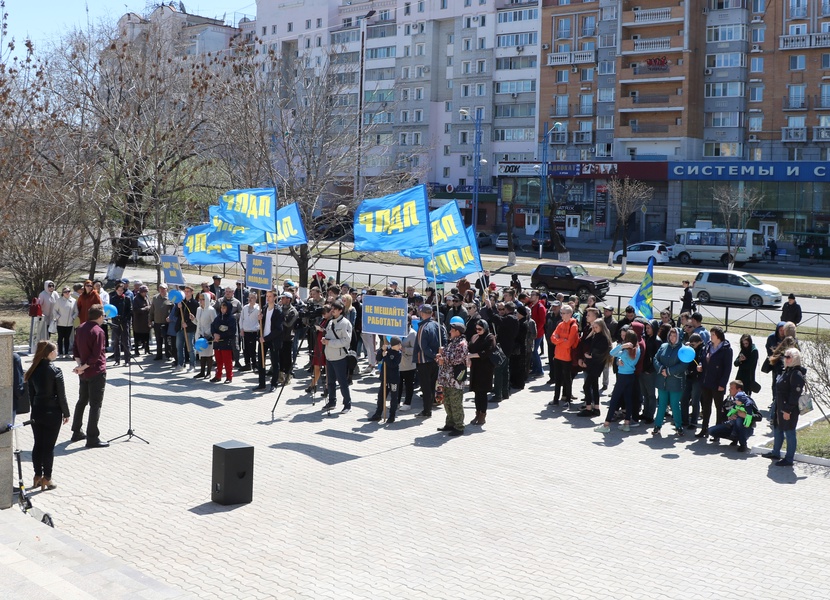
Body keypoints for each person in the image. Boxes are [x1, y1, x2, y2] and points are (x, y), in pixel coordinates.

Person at [24, 341, 70, 490]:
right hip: (53, 412)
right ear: (49, 353)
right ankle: (47, 478)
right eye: (55, 351)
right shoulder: (55, 370)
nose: (57, 353)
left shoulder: (33, 369)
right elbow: (61, 395)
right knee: (49, 447)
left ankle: (37, 475)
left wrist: (35, 409)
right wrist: (66, 413)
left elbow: (31, 395)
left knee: (38, 444)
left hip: (37, 411)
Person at [71, 304, 109, 448]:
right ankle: (92, 438)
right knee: (95, 405)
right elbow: (95, 356)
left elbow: (75, 349)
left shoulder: (80, 328)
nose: (104, 318)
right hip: (96, 372)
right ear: (99, 317)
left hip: (83, 372)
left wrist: (80, 366)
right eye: (103, 315)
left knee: (82, 401)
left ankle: (76, 431)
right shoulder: (98, 331)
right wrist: (83, 367)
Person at [762, 348, 807, 466]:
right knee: (777, 428)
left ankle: (789, 458)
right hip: (779, 405)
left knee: (790, 431)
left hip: (789, 408)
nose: (785, 359)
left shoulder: (796, 373)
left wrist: (788, 410)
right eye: (785, 356)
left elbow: (795, 394)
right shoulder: (787, 370)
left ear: (795, 359)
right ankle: (776, 452)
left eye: (788, 357)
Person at [595, 330, 641, 433]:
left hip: (622, 377)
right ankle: (626, 423)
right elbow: (621, 358)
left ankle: (606, 424)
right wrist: (619, 359)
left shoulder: (625, 350)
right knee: (628, 399)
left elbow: (612, 353)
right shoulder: (637, 349)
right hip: (631, 376)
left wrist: (621, 346)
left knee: (614, 400)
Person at [696, 326, 733, 439]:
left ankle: (717, 432)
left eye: (713, 335)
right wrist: (701, 366)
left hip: (718, 384)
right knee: (706, 407)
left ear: (719, 337)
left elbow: (727, 369)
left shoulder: (726, 350)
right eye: (711, 334)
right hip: (706, 382)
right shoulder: (708, 346)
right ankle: (704, 429)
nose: (710, 337)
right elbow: (702, 359)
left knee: (719, 408)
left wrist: (723, 384)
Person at [652, 327, 686, 436]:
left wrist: (669, 371)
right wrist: (661, 368)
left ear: (679, 336)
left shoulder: (683, 349)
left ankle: (678, 426)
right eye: (671, 335)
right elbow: (655, 359)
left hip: (675, 381)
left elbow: (683, 365)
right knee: (661, 404)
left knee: (674, 404)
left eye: (674, 335)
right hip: (662, 380)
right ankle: (657, 426)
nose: (672, 337)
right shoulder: (663, 346)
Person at [321, 299, 354, 413]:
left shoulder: (345, 323)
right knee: (330, 382)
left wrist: (330, 343)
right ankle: (332, 402)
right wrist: (325, 340)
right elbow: (330, 336)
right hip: (329, 356)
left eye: (335, 309)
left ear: (340, 310)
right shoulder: (330, 322)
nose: (332, 311)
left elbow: (346, 341)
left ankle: (347, 404)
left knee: (342, 382)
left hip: (339, 357)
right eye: (332, 309)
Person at [436, 320, 468, 437]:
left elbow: (457, 359)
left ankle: (459, 426)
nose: (450, 332)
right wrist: (440, 356)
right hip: (446, 378)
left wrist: (443, 356)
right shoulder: (452, 342)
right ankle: (450, 423)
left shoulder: (462, 344)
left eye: (452, 330)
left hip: (455, 379)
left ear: (458, 332)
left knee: (455, 403)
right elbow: (447, 356)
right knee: (447, 402)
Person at [708, 381, 759, 452]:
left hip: (746, 427)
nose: (729, 390)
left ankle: (743, 444)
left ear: (739, 390)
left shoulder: (748, 400)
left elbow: (759, 417)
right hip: (731, 425)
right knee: (711, 431)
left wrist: (746, 415)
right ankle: (734, 438)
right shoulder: (728, 399)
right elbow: (722, 415)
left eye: (731, 388)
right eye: (729, 388)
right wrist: (728, 417)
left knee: (739, 420)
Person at [577, 319, 611, 417]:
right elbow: (586, 341)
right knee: (594, 386)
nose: (594, 329)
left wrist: (590, 356)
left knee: (586, 386)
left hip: (596, 365)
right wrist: (592, 331)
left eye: (596, 327)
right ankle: (596, 408)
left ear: (602, 327)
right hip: (593, 365)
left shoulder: (604, 338)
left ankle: (588, 408)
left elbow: (599, 352)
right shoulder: (596, 335)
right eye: (593, 327)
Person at [413, 304, 442, 417]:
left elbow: (422, 347)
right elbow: (443, 341)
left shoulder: (423, 327)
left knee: (426, 388)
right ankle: (428, 408)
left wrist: (434, 355)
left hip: (424, 361)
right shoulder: (438, 325)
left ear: (423, 313)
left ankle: (426, 410)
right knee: (431, 386)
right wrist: (438, 355)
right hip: (435, 361)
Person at [467, 319, 496, 426]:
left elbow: (486, 352)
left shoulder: (490, 337)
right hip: (475, 368)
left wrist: (472, 356)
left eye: (480, 329)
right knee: (476, 392)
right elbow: (469, 348)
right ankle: (477, 413)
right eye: (477, 329)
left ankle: (482, 415)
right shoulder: (475, 337)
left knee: (482, 393)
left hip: (485, 369)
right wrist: (469, 357)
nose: (478, 331)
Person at [549, 305, 580, 406]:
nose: (561, 315)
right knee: (557, 379)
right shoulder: (560, 324)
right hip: (557, 355)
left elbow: (569, 344)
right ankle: (555, 399)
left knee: (567, 379)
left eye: (563, 313)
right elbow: (552, 338)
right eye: (561, 313)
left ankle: (567, 400)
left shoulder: (574, 326)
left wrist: (559, 340)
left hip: (567, 357)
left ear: (570, 314)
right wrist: (562, 340)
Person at [369, 336, 402, 422]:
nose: (400, 346)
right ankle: (378, 414)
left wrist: (386, 356)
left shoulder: (398, 354)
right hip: (385, 378)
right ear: (394, 345)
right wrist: (381, 351)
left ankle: (392, 416)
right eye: (399, 345)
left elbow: (392, 364)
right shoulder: (387, 350)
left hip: (394, 379)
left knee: (394, 398)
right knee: (381, 397)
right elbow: (378, 358)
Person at [256, 290, 284, 392]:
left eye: (270, 296)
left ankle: (274, 384)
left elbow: (278, 329)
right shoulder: (264, 308)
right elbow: (263, 324)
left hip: (273, 340)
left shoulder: (278, 311)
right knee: (261, 362)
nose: (268, 298)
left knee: (275, 362)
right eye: (267, 296)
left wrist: (266, 338)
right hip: (263, 339)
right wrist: (260, 318)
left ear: (275, 297)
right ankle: (261, 383)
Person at [306, 305, 331, 395]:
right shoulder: (323, 320)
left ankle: (328, 388)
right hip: (319, 345)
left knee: (328, 368)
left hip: (326, 346)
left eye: (325, 313)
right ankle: (313, 384)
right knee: (316, 365)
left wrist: (320, 329)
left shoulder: (331, 321)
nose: (323, 314)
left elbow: (329, 332)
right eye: (323, 313)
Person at [210, 300, 237, 383]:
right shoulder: (218, 317)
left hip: (226, 342)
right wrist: (214, 334)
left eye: (224, 308)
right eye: (221, 308)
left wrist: (220, 336)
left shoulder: (231, 318)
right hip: (217, 343)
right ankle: (218, 376)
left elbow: (231, 331)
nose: (222, 309)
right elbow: (212, 326)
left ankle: (229, 377)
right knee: (218, 361)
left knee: (227, 361)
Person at [175, 285, 199, 373]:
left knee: (190, 347)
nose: (186, 293)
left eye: (188, 291)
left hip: (190, 329)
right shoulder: (181, 301)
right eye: (185, 291)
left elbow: (195, 318)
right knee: (179, 346)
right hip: (180, 328)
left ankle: (192, 365)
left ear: (192, 292)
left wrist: (187, 324)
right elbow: (176, 314)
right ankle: (180, 364)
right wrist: (178, 308)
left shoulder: (195, 303)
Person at [109, 282, 132, 367]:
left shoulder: (127, 298)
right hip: (115, 322)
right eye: (118, 290)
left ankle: (127, 360)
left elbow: (130, 311)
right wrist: (115, 317)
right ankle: (117, 360)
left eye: (121, 290)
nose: (120, 292)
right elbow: (111, 310)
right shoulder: (113, 298)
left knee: (125, 341)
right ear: (116, 290)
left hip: (124, 322)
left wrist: (125, 318)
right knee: (116, 341)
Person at [193, 292, 216, 379]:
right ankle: (202, 372)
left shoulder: (211, 310)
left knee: (208, 354)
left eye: (203, 299)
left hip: (208, 336)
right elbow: (197, 322)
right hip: (199, 335)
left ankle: (209, 372)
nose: (201, 301)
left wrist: (208, 333)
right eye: (200, 299)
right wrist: (193, 319)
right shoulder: (199, 309)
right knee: (202, 354)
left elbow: (214, 323)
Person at [397, 318, 417, 412]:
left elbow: (415, 349)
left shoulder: (412, 334)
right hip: (399, 363)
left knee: (409, 384)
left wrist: (404, 349)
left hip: (409, 363)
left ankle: (407, 403)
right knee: (398, 384)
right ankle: (396, 402)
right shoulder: (399, 331)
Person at [239, 291, 262, 372]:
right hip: (245, 331)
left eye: (252, 297)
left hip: (253, 331)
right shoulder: (245, 307)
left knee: (252, 348)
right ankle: (247, 363)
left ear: (255, 298)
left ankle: (254, 364)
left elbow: (260, 321)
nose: (250, 299)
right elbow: (241, 319)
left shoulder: (258, 308)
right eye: (249, 297)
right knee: (245, 348)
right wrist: (241, 329)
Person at [53, 286, 77, 358]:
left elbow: (76, 311)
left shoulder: (74, 301)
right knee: (60, 338)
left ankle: (66, 353)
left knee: (67, 338)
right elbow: (54, 310)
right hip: (60, 323)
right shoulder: (59, 301)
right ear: (62, 293)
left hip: (69, 323)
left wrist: (73, 317)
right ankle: (60, 353)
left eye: (68, 291)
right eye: (65, 292)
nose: (67, 293)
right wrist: (58, 317)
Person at [151, 284, 173, 361]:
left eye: (163, 289)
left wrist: (170, 317)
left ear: (167, 289)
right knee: (158, 339)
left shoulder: (170, 298)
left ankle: (168, 355)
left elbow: (173, 311)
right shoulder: (155, 298)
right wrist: (150, 320)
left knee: (167, 340)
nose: (162, 290)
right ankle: (159, 355)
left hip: (167, 323)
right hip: (157, 322)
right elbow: (152, 311)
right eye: (160, 289)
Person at [132, 285, 152, 355]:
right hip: (138, 321)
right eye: (144, 292)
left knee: (146, 336)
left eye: (146, 292)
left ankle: (147, 349)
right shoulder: (136, 299)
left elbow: (150, 305)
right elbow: (135, 310)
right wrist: (146, 308)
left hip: (146, 320)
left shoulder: (147, 298)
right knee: (137, 336)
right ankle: (136, 350)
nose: (145, 293)